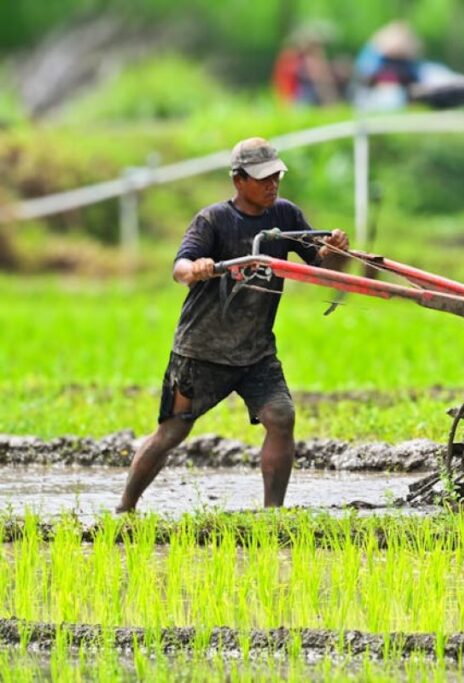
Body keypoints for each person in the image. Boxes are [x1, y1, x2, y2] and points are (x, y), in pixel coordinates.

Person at [117, 137, 349, 512]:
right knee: (173, 430)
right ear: (238, 180)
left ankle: (273, 514)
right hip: (202, 351)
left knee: (281, 417)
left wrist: (335, 251)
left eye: (276, 177)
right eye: (263, 178)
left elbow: (323, 268)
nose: (272, 185)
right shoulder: (214, 220)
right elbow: (180, 267)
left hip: (255, 351)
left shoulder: (286, 216)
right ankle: (125, 508)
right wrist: (197, 268)